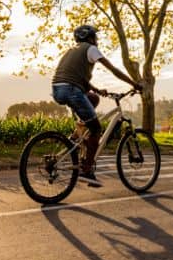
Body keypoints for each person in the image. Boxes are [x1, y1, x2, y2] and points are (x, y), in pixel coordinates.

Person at [52, 25, 142, 187]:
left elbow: (77, 77)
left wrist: (96, 89)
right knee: (96, 129)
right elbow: (113, 70)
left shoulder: (71, 51)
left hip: (59, 89)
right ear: (90, 37)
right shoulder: (91, 49)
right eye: (95, 37)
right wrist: (133, 83)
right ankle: (87, 170)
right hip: (72, 90)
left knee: (93, 99)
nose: (97, 40)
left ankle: (76, 136)